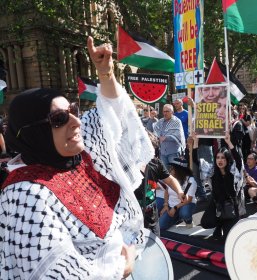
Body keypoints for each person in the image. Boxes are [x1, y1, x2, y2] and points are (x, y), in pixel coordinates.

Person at [0, 37, 154, 279]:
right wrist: (120, 268)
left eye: (74, 110)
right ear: (34, 133)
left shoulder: (80, 157)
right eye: (60, 119)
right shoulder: (23, 194)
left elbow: (112, 116)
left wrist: (106, 73)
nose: (77, 122)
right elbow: (57, 274)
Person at [195, 132, 245, 241]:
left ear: (227, 160)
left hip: (232, 207)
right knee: (206, 222)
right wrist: (195, 142)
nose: (220, 160)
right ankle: (219, 223)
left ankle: (223, 224)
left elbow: (238, 160)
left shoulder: (233, 172)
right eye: (218, 157)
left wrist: (228, 142)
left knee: (227, 239)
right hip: (217, 205)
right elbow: (197, 162)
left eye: (223, 158)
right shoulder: (212, 171)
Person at [134, 131, 185, 237]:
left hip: (152, 218)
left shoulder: (156, 163)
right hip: (132, 218)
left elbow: (170, 180)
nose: (150, 153)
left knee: (153, 249)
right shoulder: (129, 166)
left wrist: (179, 192)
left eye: (152, 149)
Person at [158, 157, 197, 230]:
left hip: (185, 204)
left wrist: (175, 208)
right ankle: (177, 218)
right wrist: (166, 205)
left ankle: (188, 220)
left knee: (184, 213)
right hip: (171, 205)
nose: (170, 170)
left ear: (179, 170)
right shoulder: (171, 178)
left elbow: (188, 200)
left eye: (172, 168)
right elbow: (166, 191)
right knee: (161, 226)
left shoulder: (191, 181)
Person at [153, 104, 186, 168]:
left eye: (167, 111)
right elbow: (155, 131)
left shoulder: (177, 121)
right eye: (164, 111)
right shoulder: (160, 121)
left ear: (172, 112)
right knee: (165, 174)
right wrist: (157, 137)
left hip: (174, 152)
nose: (165, 113)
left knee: (175, 172)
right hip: (162, 152)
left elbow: (178, 135)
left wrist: (166, 138)